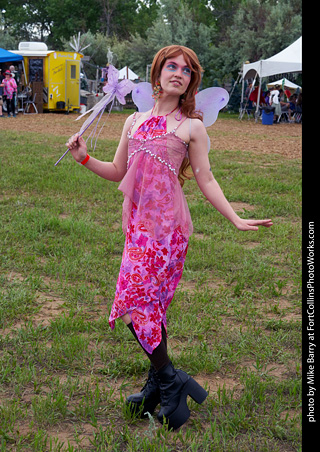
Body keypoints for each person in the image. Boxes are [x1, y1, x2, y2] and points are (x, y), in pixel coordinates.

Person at [66, 45, 273, 430]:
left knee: (136, 308)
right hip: (137, 230)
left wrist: (235, 217)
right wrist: (82, 157)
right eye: (171, 66)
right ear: (157, 73)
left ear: (192, 81)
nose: (178, 73)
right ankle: (161, 383)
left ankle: (167, 381)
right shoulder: (134, 121)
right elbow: (116, 170)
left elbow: (205, 178)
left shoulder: (191, 127)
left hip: (168, 234)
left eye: (187, 70)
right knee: (146, 309)